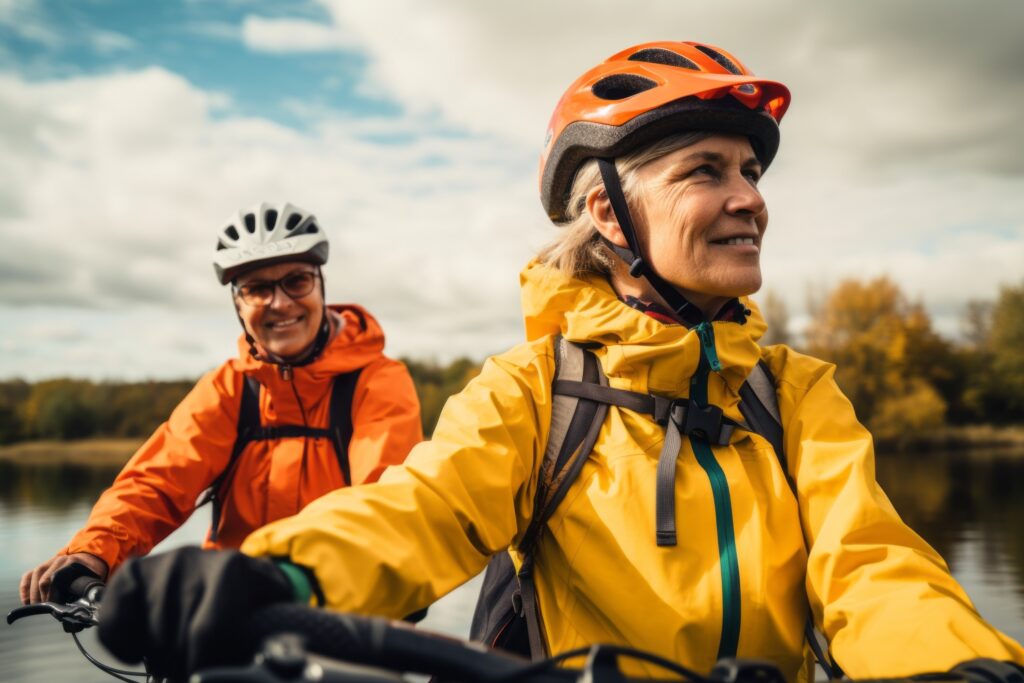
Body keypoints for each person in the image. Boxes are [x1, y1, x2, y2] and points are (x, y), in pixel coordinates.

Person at [95, 43, 1024, 682]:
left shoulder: (796, 392)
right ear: (609, 213)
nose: (750, 198)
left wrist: (957, 661)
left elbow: (872, 564)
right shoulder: (533, 387)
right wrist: (278, 574)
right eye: (706, 170)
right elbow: (423, 508)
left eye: (750, 170)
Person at [19, 201, 423, 605]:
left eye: (297, 281)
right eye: (257, 289)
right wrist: (93, 551)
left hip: (348, 610)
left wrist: (298, 579)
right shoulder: (229, 388)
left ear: (321, 284)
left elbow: (382, 501)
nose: (280, 303)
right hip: (231, 610)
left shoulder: (377, 381)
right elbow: (156, 483)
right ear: (238, 303)